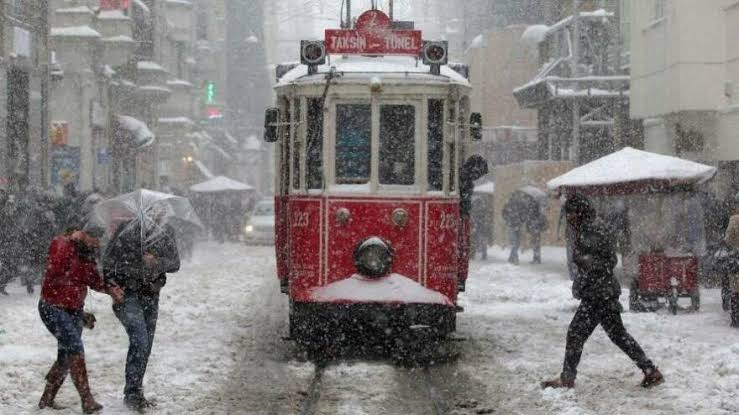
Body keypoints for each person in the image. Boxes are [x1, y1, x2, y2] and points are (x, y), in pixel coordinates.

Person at [542, 194, 664, 389]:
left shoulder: (591, 229)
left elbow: (601, 261)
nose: (569, 218)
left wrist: (583, 265)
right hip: (602, 291)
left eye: (571, 213)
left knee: (576, 333)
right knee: (618, 334)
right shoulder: (592, 226)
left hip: (597, 293)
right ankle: (650, 370)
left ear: (579, 212)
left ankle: (567, 378)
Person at [38, 227, 124, 413]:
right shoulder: (61, 243)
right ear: (82, 234)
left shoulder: (88, 254)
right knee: (75, 348)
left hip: (74, 310)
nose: (96, 243)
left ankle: (47, 399)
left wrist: (110, 289)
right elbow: (55, 268)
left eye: (98, 240)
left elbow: (94, 280)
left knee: (66, 355)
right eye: (93, 238)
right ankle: (87, 399)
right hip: (53, 306)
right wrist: (71, 243)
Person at [103, 205, 180, 411]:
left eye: (160, 211)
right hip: (128, 294)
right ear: (142, 211)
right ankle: (132, 393)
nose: (156, 214)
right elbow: (108, 261)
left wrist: (156, 262)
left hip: (151, 295)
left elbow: (175, 263)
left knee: (146, 345)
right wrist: (111, 285)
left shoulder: (165, 233)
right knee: (139, 339)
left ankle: (136, 391)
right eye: (152, 210)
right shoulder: (126, 230)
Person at [502, 193, 526, 265]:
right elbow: (504, 213)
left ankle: (511, 258)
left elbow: (503, 214)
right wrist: (521, 220)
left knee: (516, 243)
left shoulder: (513, 205)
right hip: (514, 225)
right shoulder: (513, 205)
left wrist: (507, 219)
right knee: (516, 242)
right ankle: (516, 258)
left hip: (514, 225)